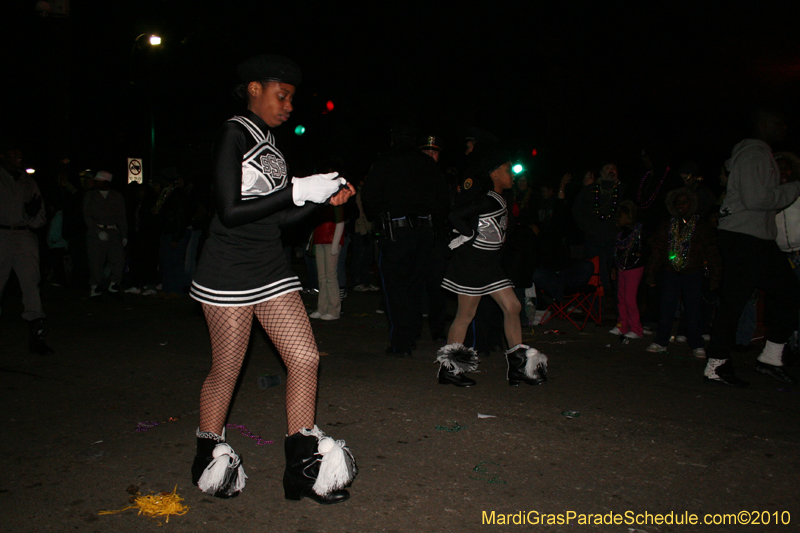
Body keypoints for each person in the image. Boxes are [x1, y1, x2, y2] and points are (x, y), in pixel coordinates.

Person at [188, 54, 357, 502]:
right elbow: (229, 210)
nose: (288, 107)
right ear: (254, 89)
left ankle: (302, 463)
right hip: (227, 270)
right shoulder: (232, 133)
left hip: (270, 267)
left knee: (305, 357)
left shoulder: (271, 143)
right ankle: (208, 456)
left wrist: (321, 200)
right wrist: (299, 188)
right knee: (227, 370)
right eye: (282, 96)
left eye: (292, 99)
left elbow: (278, 221)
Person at [704, 108, 800, 386]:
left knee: (788, 292)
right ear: (762, 124)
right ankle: (717, 364)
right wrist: (794, 188)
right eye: (778, 122)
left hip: (758, 238)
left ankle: (771, 357)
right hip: (744, 238)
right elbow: (757, 199)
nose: (784, 126)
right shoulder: (753, 154)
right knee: (734, 299)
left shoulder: (762, 154)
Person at [437, 150, 547, 387]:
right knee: (465, 315)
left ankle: (517, 369)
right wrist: (468, 234)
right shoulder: (486, 198)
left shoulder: (501, 199)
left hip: (490, 266)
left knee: (513, 306)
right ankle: (449, 370)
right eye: (508, 170)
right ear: (495, 173)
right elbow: (455, 215)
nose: (512, 175)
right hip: (473, 264)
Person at [362, 126, 449, 357]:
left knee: (395, 288)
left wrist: (380, 214)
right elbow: (442, 201)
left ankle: (402, 342)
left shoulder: (386, 161)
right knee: (414, 286)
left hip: (397, 231)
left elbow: (370, 198)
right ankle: (412, 335)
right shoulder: (427, 163)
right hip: (424, 232)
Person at [645, 188, 720, 357]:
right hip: (671, 272)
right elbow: (657, 249)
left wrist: (715, 277)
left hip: (693, 273)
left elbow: (712, 252)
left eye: (684, 202)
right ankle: (661, 341)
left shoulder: (700, 226)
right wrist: (651, 274)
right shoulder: (668, 224)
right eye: (677, 202)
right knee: (666, 308)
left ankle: (696, 343)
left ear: (691, 204)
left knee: (694, 310)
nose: (680, 206)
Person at [0, 144, 54, 355]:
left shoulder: (28, 182)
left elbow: (40, 217)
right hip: (1, 235)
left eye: (19, 153)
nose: (18, 157)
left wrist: (32, 216)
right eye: (12, 153)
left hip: (24, 236)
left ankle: (37, 335)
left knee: (31, 283)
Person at [83, 170, 127, 298]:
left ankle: (114, 284)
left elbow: (121, 216)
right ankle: (95, 286)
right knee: (96, 260)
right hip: (96, 232)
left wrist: (124, 235)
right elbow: (87, 216)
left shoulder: (116, 196)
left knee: (118, 258)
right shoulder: (90, 196)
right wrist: (97, 231)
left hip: (113, 231)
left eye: (99, 181)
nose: (96, 183)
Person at [610, 200, 644, 340]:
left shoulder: (638, 232)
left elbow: (645, 248)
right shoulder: (620, 235)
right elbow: (617, 252)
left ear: (629, 218)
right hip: (621, 268)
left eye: (622, 216)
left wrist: (640, 253)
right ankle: (622, 325)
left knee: (630, 299)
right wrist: (614, 267)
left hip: (634, 268)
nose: (619, 219)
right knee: (621, 298)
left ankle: (636, 328)